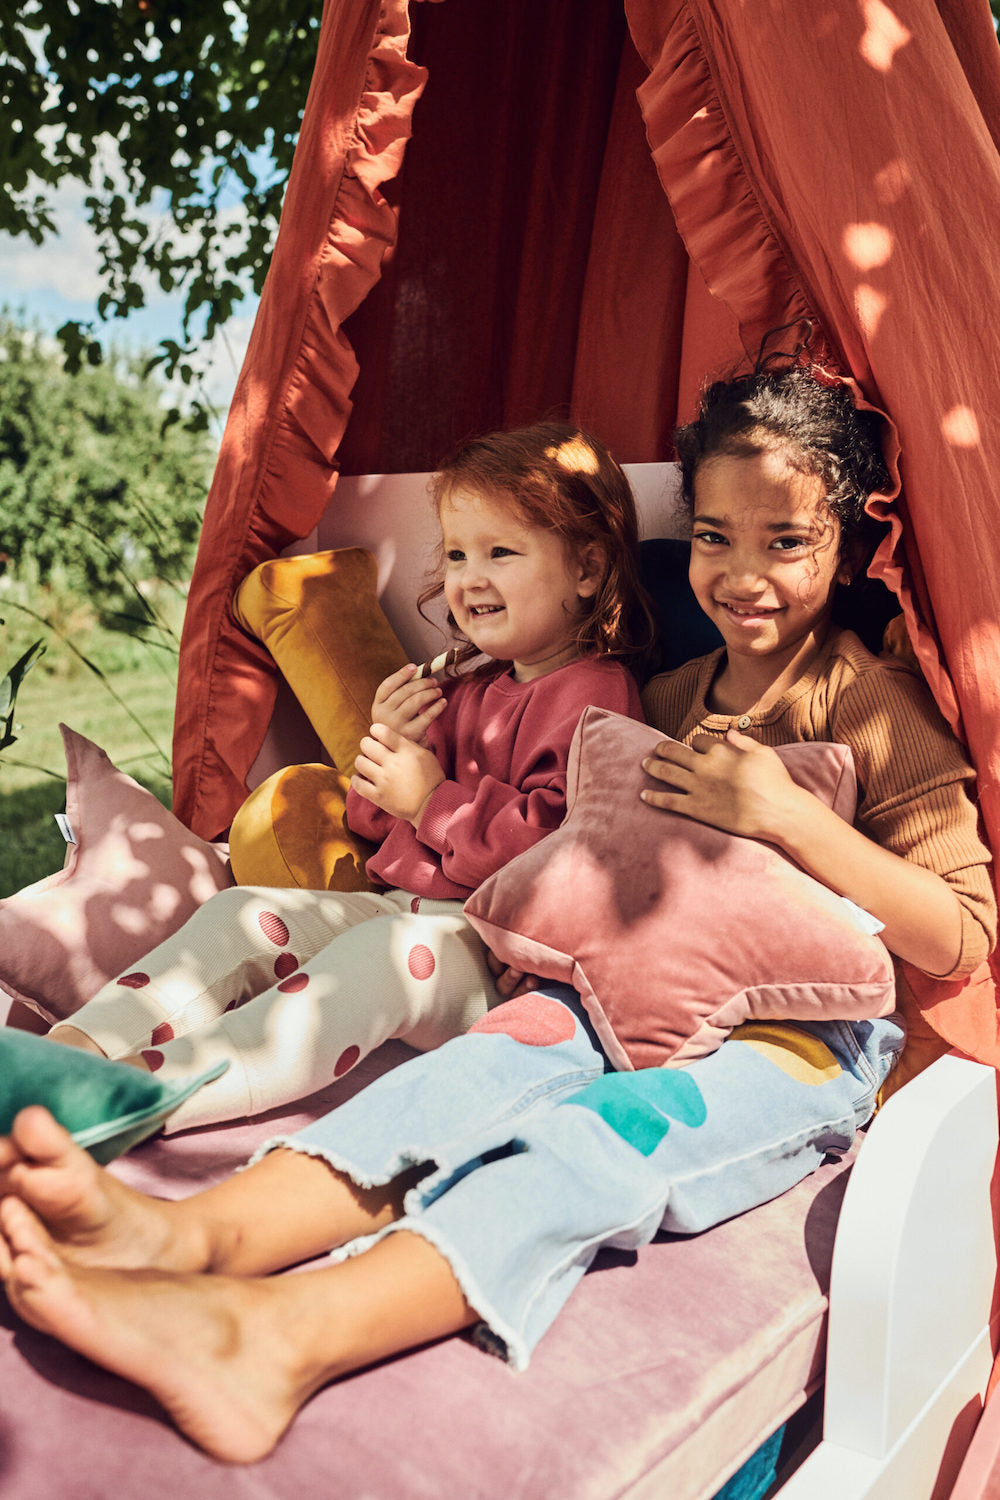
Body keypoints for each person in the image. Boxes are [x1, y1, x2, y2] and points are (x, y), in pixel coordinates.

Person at [0, 363, 994, 1465]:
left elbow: (961, 932)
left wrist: (788, 819)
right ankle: (189, 1231)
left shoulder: (867, 701)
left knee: (591, 1137)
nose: (740, 573)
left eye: (786, 542)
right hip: (602, 991)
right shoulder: (664, 697)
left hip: (791, 1040)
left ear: (847, 548)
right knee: (463, 1074)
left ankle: (279, 1337)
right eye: (712, 537)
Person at [44, 422, 651, 1130]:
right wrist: (391, 745)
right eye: (456, 554)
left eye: (501, 552)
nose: (469, 578)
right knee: (239, 912)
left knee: (369, 962)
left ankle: (146, 1096)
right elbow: (370, 826)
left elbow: (558, 853)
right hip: (405, 910)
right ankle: (72, 1051)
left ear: (587, 571)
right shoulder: (468, 688)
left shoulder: (596, 694)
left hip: (494, 955)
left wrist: (431, 799)